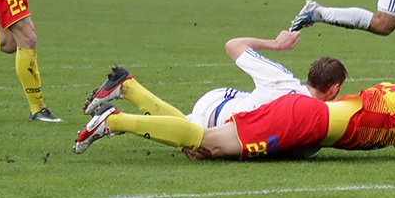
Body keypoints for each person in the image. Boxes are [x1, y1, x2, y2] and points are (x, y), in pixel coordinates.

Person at [75, 59, 395, 162]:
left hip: (306, 123)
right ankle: (113, 120)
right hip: (304, 120)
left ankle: (126, 98)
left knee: (207, 148)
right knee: (209, 145)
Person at [81, 30, 347, 130]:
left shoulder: (282, 80)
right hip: (223, 113)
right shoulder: (315, 110)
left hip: (222, 104)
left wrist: (276, 46)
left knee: (179, 126)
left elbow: (234, 44)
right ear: (334, 89)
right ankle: (113, 118)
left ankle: (126, 86)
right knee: (187, 135)